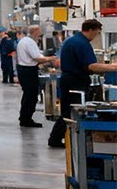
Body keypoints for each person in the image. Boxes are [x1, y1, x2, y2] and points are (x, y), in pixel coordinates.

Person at [49, 20, 117, 148]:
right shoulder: (82, 44)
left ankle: (56, 139)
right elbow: (92, 66)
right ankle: (57, 139)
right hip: (75, 82)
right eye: (97, 33)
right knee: (73, 111)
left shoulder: (72, 41)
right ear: (91, 30)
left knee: (68, 111)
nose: (96, 36)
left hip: (68, 80)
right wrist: (113, 67)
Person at [16, 25, 57, 127]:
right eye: (39, 32)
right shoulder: (29, 42)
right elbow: (37, 58)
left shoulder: (24, 41)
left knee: (27, 95)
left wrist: (46, 58)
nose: (40, 34)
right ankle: (26, 120)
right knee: (32, 96)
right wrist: (51, 58)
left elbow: (38, 55)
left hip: (23, 70)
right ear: (34, 32)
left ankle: (23, 117)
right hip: (28, 71)